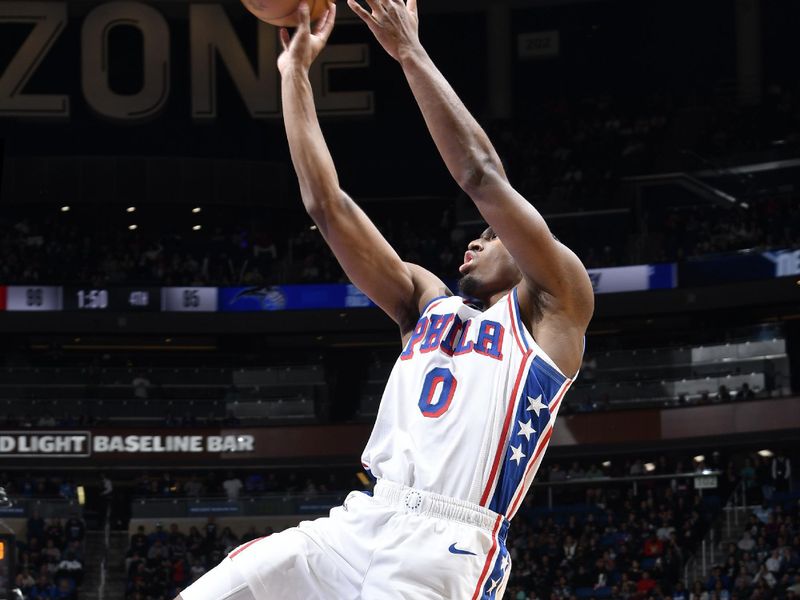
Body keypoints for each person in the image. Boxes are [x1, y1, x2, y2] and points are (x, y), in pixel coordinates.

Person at [178, 0, 592, 598]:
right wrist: (293, 76)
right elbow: (327, 205)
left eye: (489, 235)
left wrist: (409, 52)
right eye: (473, 237)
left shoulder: (556, 303)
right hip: (362, 521)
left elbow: (480, 176)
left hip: (449, 545)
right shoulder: (426, 302)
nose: (474, 242)